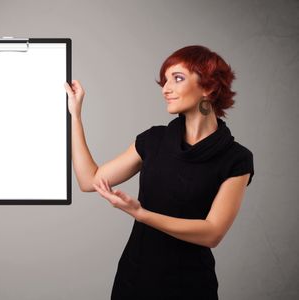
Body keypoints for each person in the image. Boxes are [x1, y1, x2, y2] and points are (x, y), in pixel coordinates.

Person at [64, 45, 254, 299]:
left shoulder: (236, 159)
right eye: (164, 80)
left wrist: (141, 214)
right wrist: (75, 116)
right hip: (134, 281)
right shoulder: (153, 140)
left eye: (177, 78)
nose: (166, 88)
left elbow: (212, 233)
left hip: (191, 286)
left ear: (208, 87)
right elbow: (89, 181)